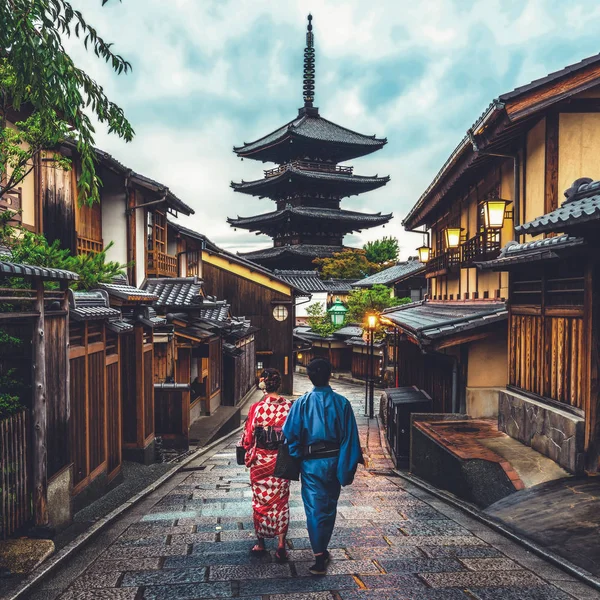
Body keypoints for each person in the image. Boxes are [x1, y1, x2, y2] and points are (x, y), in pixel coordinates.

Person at [283, 358, 363, 575]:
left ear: (309, 377)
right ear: (329, 375)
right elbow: (350, 438)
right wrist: (345, 465)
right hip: (335, 461)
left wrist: (298, 454)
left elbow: (290, 433)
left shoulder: (302, 403)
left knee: (314, 509)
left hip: (311, 463)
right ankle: (322, 549)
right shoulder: (342, 403)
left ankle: (319, 555)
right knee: (329, 506)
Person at [242, 368, 293, 562]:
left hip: (261, 461)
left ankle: (261, 543)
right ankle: (281, 544)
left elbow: (248, 437)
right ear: (278, 384)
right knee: (281, 501)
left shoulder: (257, 408)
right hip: (281, 460)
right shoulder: (289, 406)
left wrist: (248, 449)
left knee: (260, 501)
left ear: (263, 384)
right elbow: (294, 433)